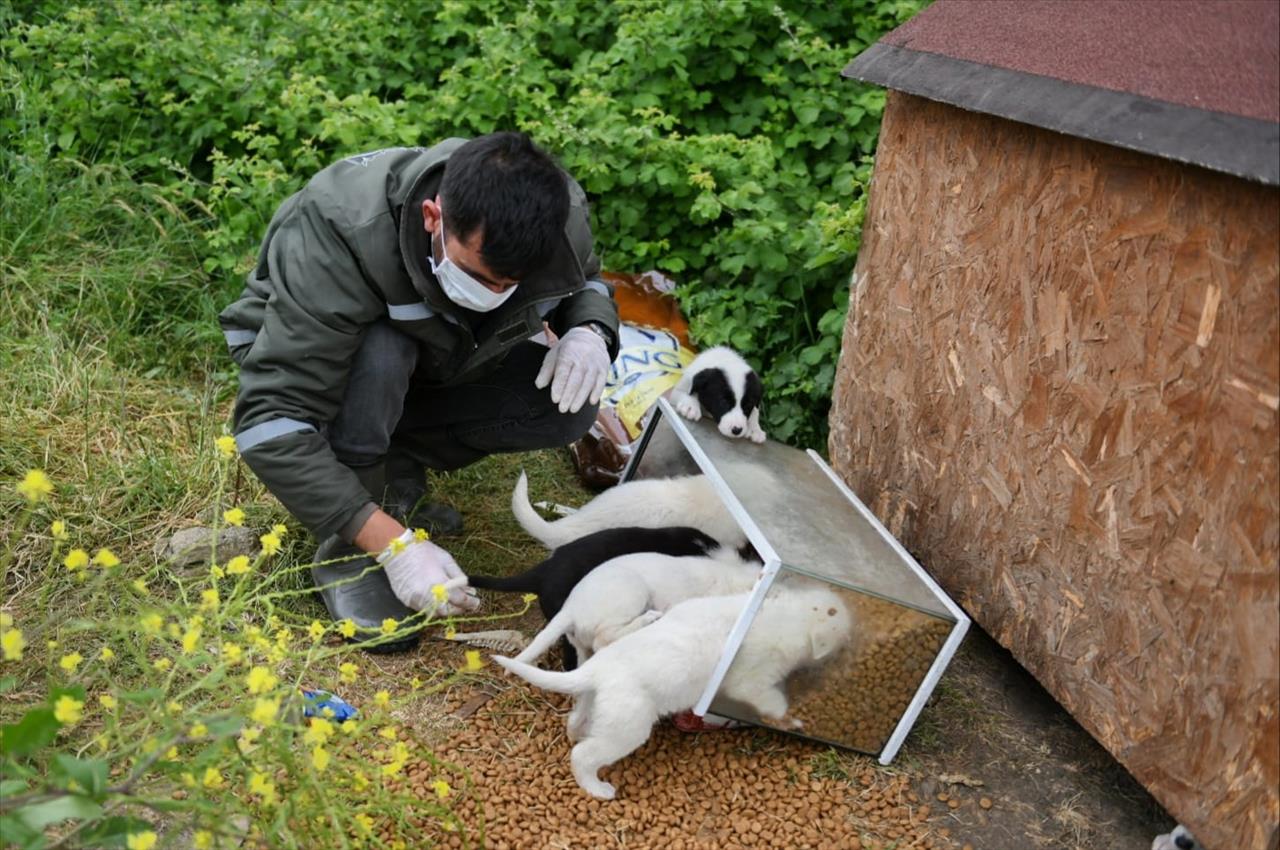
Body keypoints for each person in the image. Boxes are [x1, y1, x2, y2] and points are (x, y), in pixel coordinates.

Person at [218, 133, 619, 651]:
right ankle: (354, 542)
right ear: (434, 216)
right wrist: (393, 548)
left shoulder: (559, 216)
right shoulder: (340, 228)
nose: (495, 293)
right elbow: (270, 418)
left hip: (443, 355)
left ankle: (393, 474)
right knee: (384, 348)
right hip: (324, 366)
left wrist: (591, 330)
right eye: (481, 275)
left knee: (568, 403)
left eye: (511, 282)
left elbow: (585, 280)